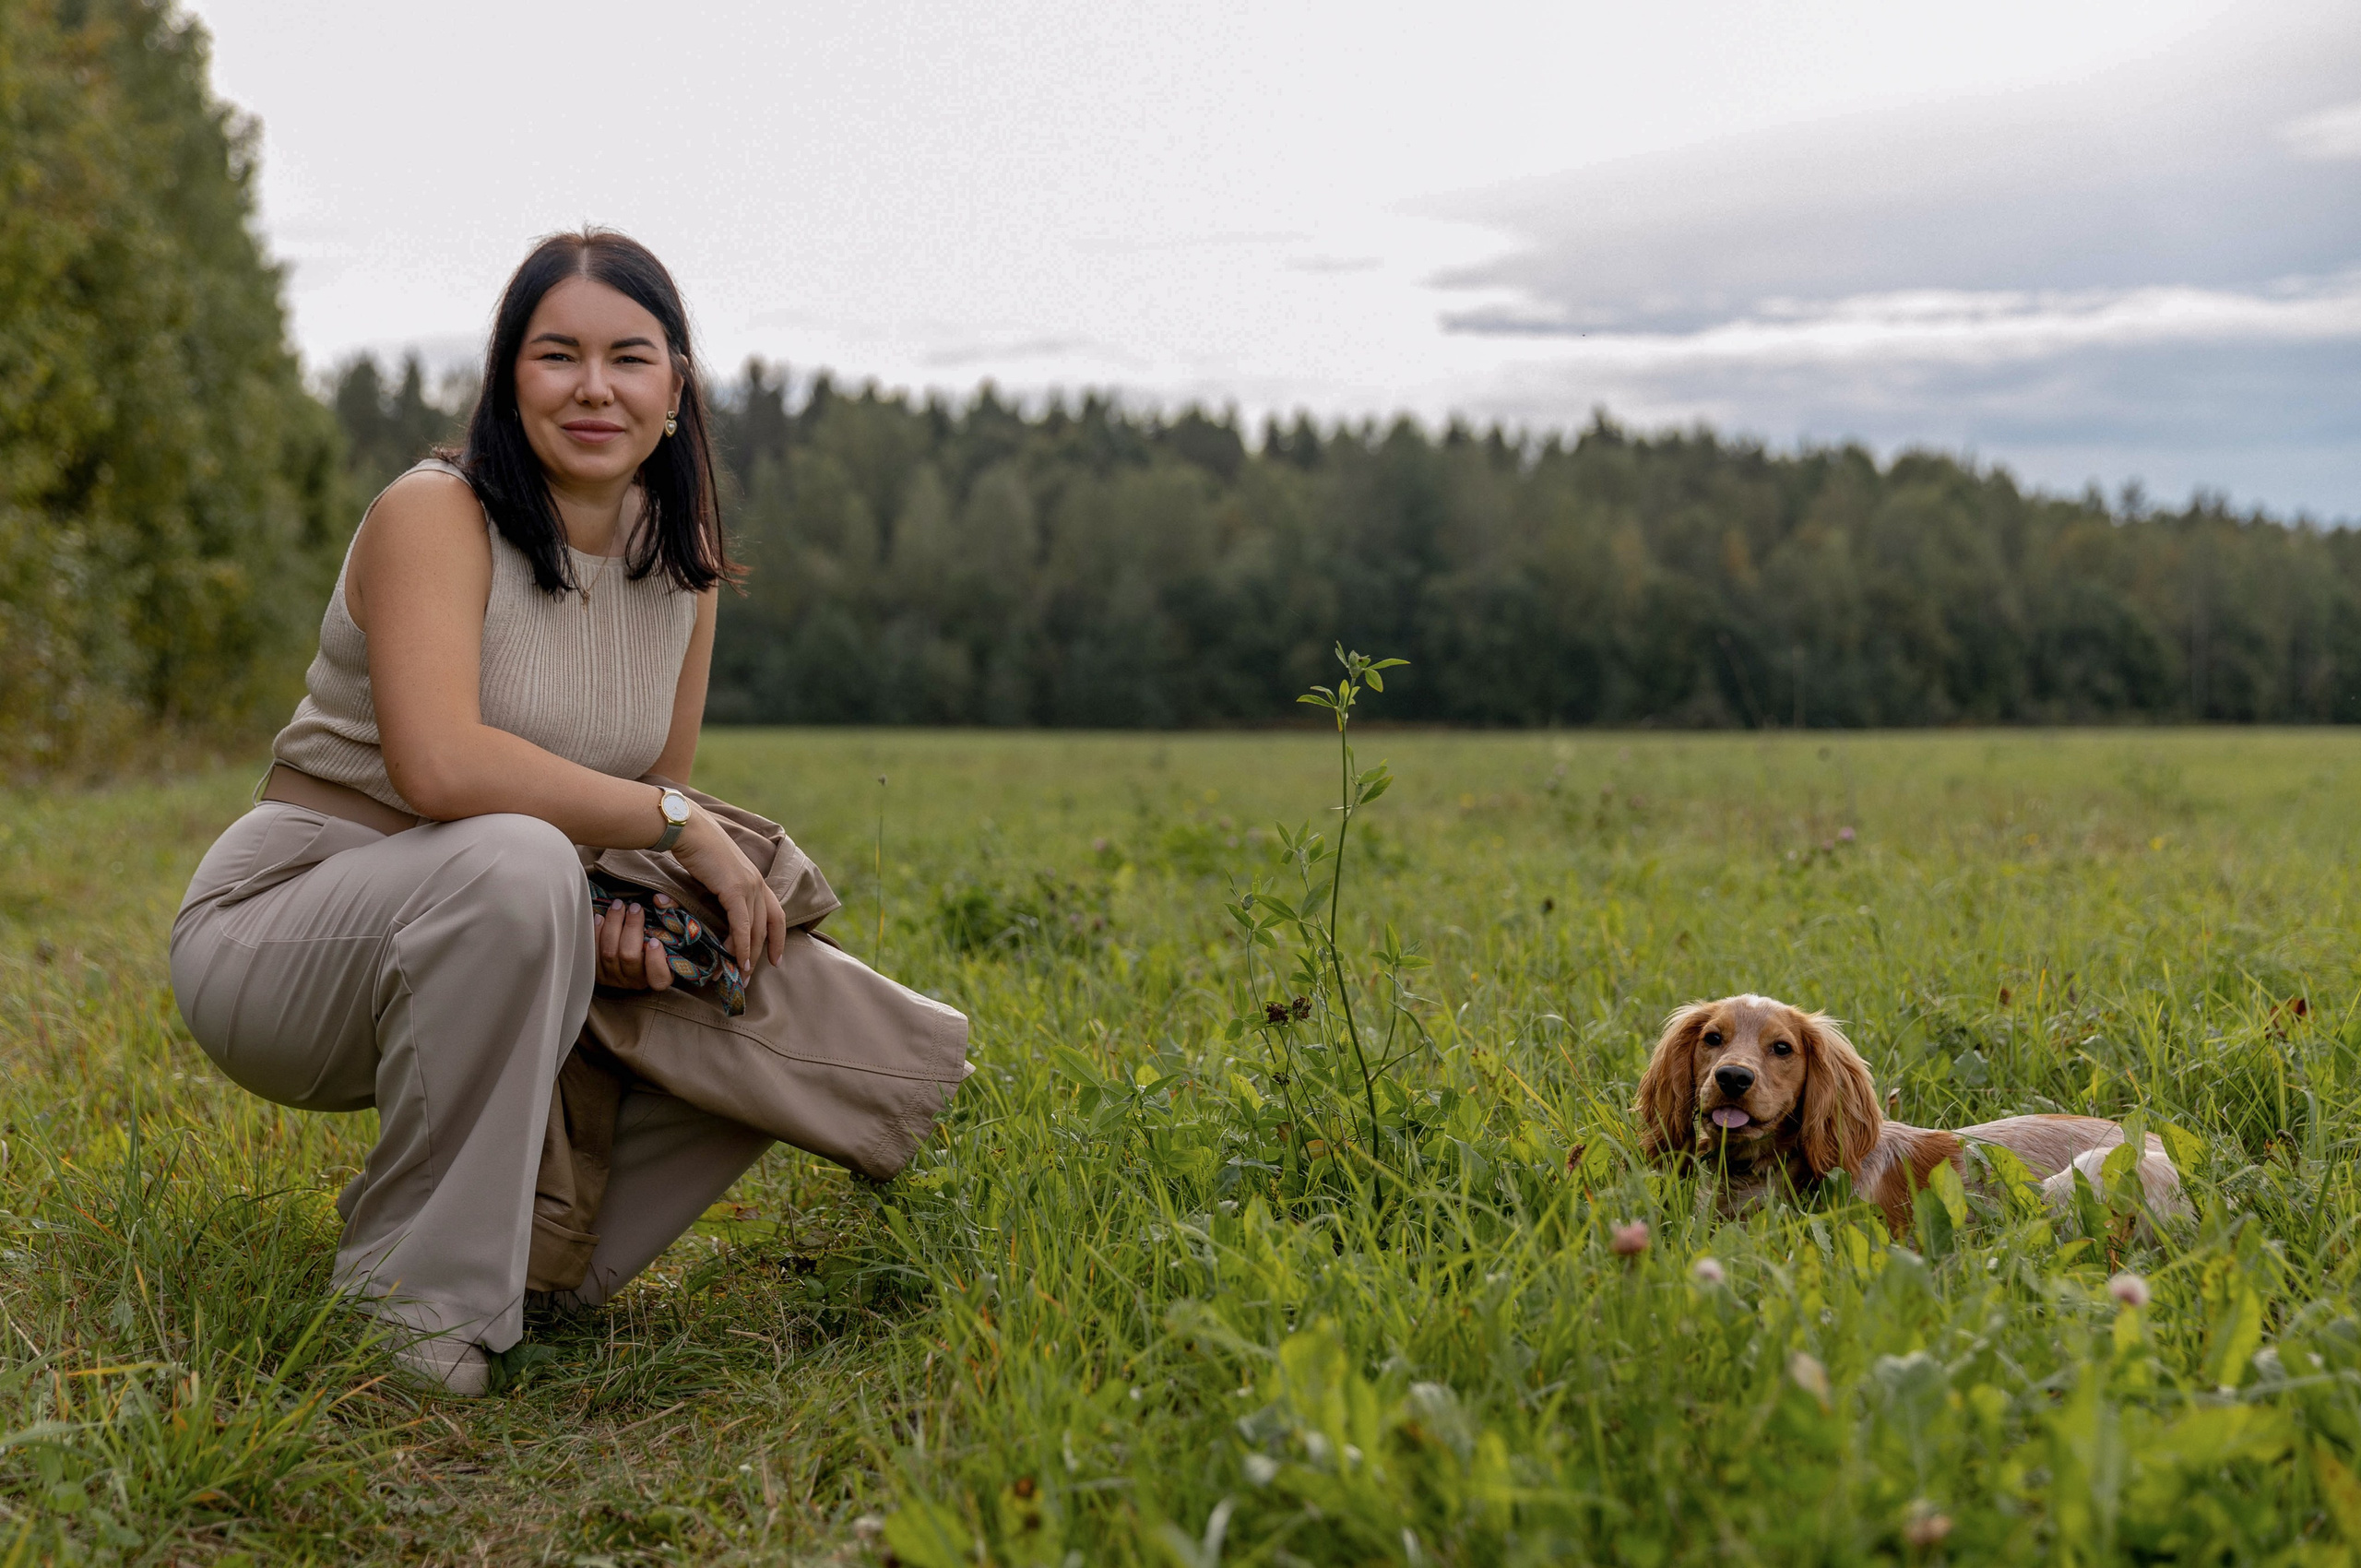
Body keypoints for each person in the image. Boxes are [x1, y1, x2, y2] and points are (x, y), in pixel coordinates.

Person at [170, 230, 966, 1396]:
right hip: (289, 923)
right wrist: (677, 827)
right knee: (515, 859)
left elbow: (623, 823)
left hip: (513, 911)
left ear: (675, 386)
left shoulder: (680, 566)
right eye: (558, 355)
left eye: (629, 357)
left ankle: (536, 1268)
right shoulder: (433, 513)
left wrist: (626, 934)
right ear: (508, 378)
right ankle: (411, 1311)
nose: (595, 387)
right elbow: (444, 767)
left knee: (741, 969)